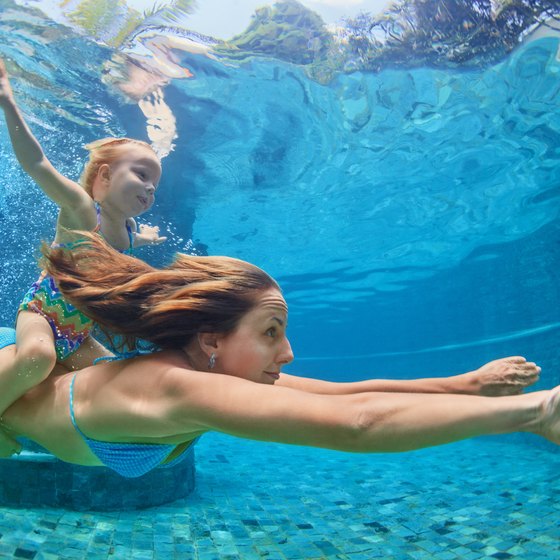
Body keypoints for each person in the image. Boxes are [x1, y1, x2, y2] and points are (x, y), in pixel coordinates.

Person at [0, 232, 557, 476]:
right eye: (271, 331)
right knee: (33, 360)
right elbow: (355, 425)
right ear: (211, 340)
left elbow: (342, 396)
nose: (288, 354)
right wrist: (533, 414)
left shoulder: (197, 374)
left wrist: (466, 384)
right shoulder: (176, 386)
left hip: (29, 423)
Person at [0, 59, 168, 455]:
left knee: (115, 373)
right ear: (104, 177)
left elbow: (129, 243)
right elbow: (36, 164)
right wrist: (8, 102)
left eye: (155, 185)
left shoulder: (126, 231)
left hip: (77, 334)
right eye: (142, 175)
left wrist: (147, 237)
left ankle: (78, 433)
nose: (150, 189)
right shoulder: (80, 210)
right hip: (41, 314)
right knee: (38, 357)